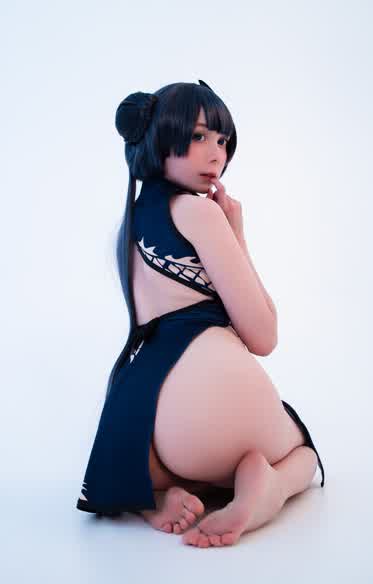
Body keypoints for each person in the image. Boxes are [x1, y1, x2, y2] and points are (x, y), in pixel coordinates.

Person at [76, 79, 325, 548]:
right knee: (304, 456)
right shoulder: (199, 213)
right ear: (159, 139)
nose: (217, 154)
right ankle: (270, 486)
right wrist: (236, 233)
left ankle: (160, 488)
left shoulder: (126, 228)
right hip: (230, 404)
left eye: (223, 140)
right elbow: (264, 336)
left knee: (142, 452)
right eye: (198, 136)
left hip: (153, 412)